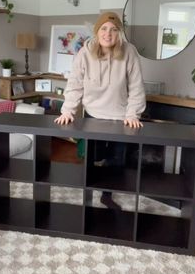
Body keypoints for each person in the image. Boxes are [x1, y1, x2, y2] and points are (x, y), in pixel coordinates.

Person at [54, 12, 146, 209]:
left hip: (120, 118)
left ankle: (107, 195)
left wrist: (133, 114)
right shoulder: (84, 53)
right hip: (93, 116)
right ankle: (89, 190)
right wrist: (68, 110)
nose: (108, 33)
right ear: (97, 31)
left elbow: (137, 86)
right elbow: (75, 83)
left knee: (116, 161)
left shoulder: (129, 52)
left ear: (119, 33)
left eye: (113, 30)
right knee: (91, 157)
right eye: (104, 28)